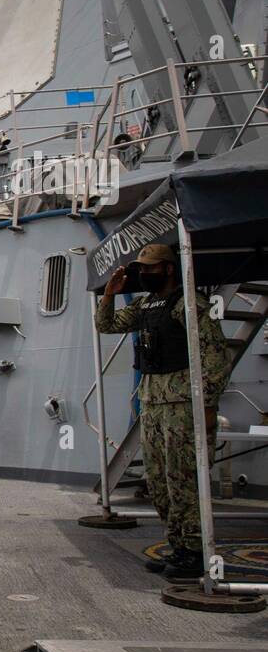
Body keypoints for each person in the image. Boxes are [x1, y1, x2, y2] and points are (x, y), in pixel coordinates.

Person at [97, 243, 230, 581]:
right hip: (154, 403)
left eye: (151, 267)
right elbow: (107, 325)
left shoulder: (188, 306)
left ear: (169, 268)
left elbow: (214, 358)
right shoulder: (145, 305)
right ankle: (178, 544)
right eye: (141, 268)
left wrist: (208, 405)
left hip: (184, 405)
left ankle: (195, 550)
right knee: (158, 481)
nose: (144, 273)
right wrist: (110, 294)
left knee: (183, 479)